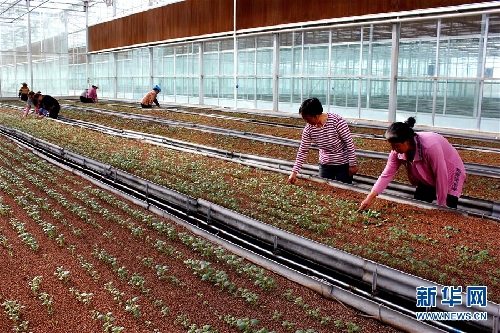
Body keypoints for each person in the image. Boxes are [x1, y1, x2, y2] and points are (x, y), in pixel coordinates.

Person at [358, 117, 466, 210]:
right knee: (419, 205)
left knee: (448, 210)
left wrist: (442, 204)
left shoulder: (430, 147)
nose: (393, 150)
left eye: (396, 146)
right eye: (391, 146)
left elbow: (441, 174)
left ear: (407, 142)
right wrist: (369, 198)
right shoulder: (396, 152)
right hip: (427, 175)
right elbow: (386, 174)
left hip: (450, 172)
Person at [287, 97, 358, 185]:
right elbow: (303, 150)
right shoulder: (309, 128)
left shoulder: (337, 121)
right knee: (325, 190)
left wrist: (352, 165)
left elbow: (349, 143)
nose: (306, 121)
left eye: (307, 118)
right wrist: (294, 172)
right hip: (325, 165)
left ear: (316, 115)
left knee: (343, 191)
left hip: (342, 165)